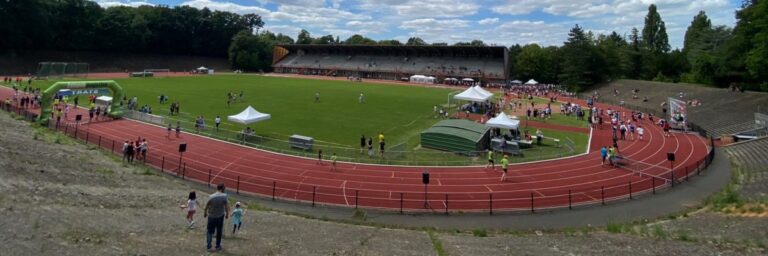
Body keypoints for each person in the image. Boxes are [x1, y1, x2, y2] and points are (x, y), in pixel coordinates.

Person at [204, 183, 229, 252]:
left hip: (211, 216)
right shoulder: (224, 196)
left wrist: (205, 212)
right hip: (220, 216)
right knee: (219, 231)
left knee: (209, 231)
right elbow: (226, 206)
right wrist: (227, 214)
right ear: (222, 188)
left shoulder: (211, 196)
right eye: (224, 188)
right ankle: (218, 246)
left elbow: (206, 205)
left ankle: (209, 246)